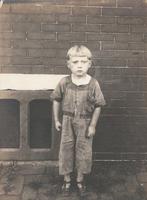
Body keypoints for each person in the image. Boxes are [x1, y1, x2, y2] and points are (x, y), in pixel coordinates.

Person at [51, 45, 106, 196]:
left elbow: (98, 106)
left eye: (83, 62)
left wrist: (93, 125)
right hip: (67, 121)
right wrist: (57, 119)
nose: (79, 65)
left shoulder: (93, 84)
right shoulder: (64, 82)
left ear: (90, 64)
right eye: (75, 62)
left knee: (84, 150)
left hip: (85, 122)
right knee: (66, 149)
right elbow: (56, 100)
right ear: (68, 64)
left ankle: (80, 180)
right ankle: (67, 180)